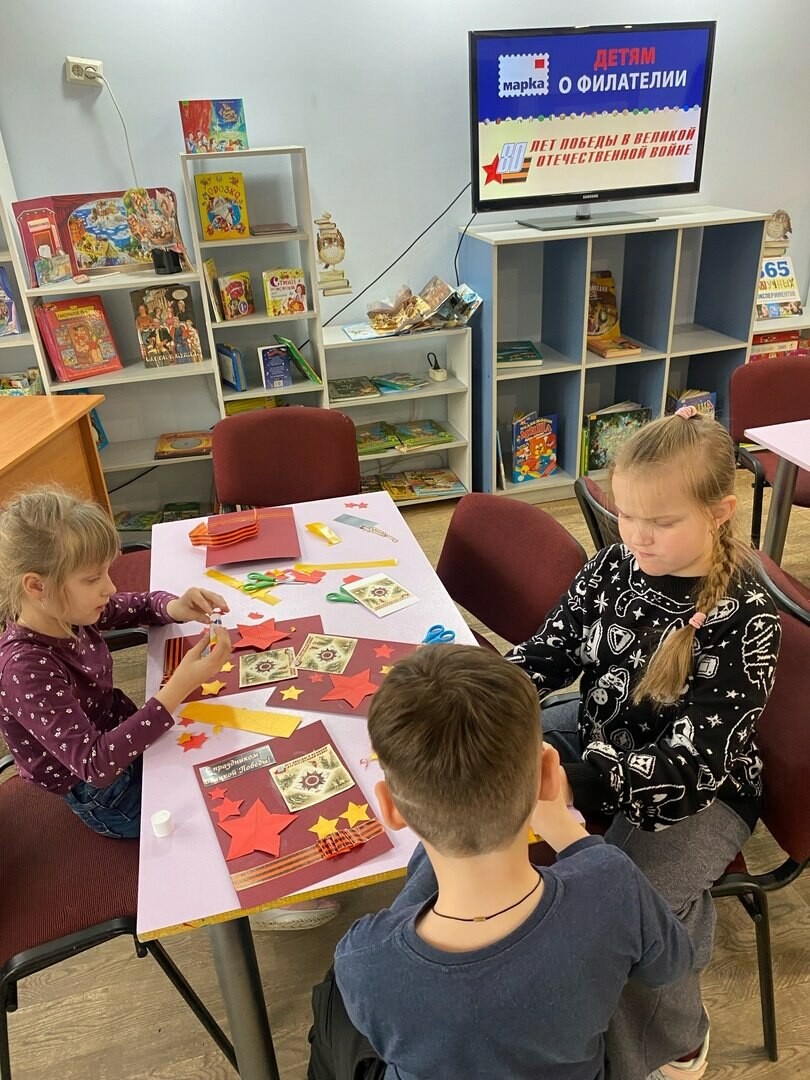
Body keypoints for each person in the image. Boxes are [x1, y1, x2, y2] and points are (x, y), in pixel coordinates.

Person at [506, 408, 781, 1080]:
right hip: (602, 734)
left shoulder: (746, 616)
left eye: (660, 522)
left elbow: (690, 769)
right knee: (480, 758)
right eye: (626, 515)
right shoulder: (613, 565)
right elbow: (551, 651)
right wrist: (488, 691)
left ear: (719, 512)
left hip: (704, 791)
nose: (637, 536)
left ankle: (678, 1040)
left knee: (626, 905)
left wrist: (575, 782)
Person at [307, 644, 695, 1080]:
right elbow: (672, 964)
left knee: (331, 1006)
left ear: (390, 809)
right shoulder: (611, 882)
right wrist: (574, 837)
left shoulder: (364, 957)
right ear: (549, 775)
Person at [0, 487, 231, 838]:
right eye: (93, 578)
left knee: (221, 748)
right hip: (105, 795)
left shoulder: (68, 610)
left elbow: (138, 605)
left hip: (121, 738)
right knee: (217, 803)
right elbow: (95, 765)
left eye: (107, 571)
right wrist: (179, 687)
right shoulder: (25, 669)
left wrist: (176, 607)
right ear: (36, 586)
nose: (109, 587)